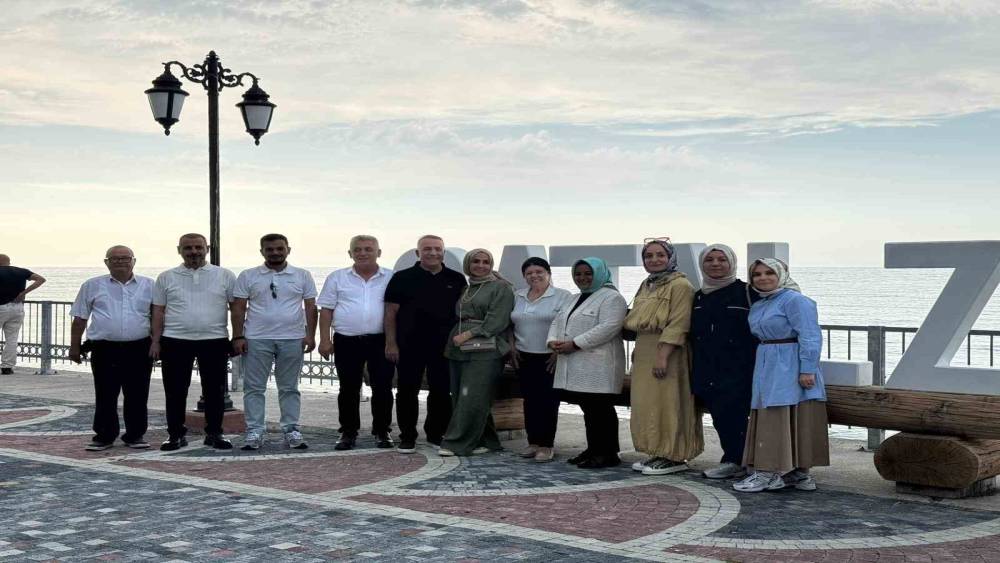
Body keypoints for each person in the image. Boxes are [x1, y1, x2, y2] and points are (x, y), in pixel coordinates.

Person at [734, 258, 829, 493]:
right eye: (757, 274)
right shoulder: (761, 303)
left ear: (781, 274)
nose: (763, 278)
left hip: (790, 362)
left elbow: (810, 335)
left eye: (769, 273)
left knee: (787, 413)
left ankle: (777, 471)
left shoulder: (796, 300)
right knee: (773, 412)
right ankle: (784, 471)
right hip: (769, 361)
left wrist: (807, 368)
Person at [624, 238, 703, 476]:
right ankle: (657, 450)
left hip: (668, 351)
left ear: (670, 257)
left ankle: (674, 454)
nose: (654, 259)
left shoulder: (681, 285)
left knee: (668, 401)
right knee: (648, 403)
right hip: (645, 348)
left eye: (660, 255)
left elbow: (679, 323)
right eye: (649, 256)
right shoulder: (647, 284)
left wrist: (662, 355)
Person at [150, 233, 236, 452]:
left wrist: (238, 336)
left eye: (198, 247)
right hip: (175, 340)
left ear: (207, 249)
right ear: (179, 250)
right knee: (175, 391)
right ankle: (175, 435)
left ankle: (215, 433)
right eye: (188, 248)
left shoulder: (225, 275)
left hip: (214, 340)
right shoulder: (166, 277)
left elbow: (236, 307)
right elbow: (158, 311)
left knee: (215, 391)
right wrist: (155, 341)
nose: (194, 252)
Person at [232, 234, 317, 451]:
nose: (275, 253)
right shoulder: (248, 275)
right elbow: (238, 307)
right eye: (269, 249)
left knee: (289, 387)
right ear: (262, 251)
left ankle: (291, 429)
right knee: (254, 387)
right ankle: (255, 430)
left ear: (288, 249)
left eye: (280, 248)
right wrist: (238, 336)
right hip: (256, 338)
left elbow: (310, 307)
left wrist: (310, 335)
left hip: (292, 338)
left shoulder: (302, 275)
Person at [384, 235, 467, 453]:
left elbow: (466, 310)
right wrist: (390, 343)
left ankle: (435, 434)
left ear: (443, 252)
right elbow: (390, 313)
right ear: (417, 253)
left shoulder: (456, 278)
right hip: (409, 345)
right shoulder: (402, 277)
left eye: (437, 249)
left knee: (441, 391)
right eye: (427, 249)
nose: (433, 253)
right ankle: (407, 436)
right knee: (406, 391)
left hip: (444, 346)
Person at [69, 246, 154, 451]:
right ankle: (104, 435)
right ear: (106, 262)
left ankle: (135, 435)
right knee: (105, 394)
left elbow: (158, 317)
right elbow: (80, 318)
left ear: (134, 261)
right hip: (104, 349)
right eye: (114, 259)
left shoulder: (150, 285)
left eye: (125, 258)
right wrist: (74, 346)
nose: (120, 262)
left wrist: (158, 343)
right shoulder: (92, 285)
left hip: (139, 347)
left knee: (137, 394)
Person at [317, 235, 395, 450]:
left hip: (381, 340)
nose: (363, 253)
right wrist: (324, 340)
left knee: (383, 387)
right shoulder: (337, 278)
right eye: (357, 249)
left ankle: (382, 431)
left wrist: (394, 342)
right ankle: (348, 432)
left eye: (368, 249)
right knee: (348, 388)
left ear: (378, 252)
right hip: (346, 341)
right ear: (350, 253)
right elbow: (326, 310)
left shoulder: (391, 277)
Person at [548, 257, 627, 469]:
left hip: (600, 364)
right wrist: (553, 341)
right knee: (589, 408)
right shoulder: (574, 298)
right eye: (578, 274)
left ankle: (607, 453)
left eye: (588, 273)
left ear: (600, 273)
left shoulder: (612, 298)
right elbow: (557, 321)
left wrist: (575, 344)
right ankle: (594, 448)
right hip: (577, 362)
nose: (582, 278)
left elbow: (608, 327)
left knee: (601, 408)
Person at [690, 244, 758, 480]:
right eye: (709, 260)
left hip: (740, 368)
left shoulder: (746, 292)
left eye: (722, 259)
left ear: (732, 263)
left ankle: (739, 460)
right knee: (721, 416)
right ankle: (735, 460)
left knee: (736, 415)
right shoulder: (698, 296)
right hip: (707, 367)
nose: (716, 264)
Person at [438, 249, 515, 457]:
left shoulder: (501, 287)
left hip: (485, 348)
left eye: (486, 262)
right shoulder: (468, 287)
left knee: (472, 396)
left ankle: (457, 443)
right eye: (476, 261)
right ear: (468, 264)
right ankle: (488, 441)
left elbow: (498, 320)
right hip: (459, 348)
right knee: (462, 395)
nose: (481, 265)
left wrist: (468, 334)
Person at [509, 257, 571, 462]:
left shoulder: (562, 296)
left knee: (548, 402)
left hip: (549, 357)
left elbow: (568, 325)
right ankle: (533, 442)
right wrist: (511, 346)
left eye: (539, 272)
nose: (534, 276)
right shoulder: (518, 296)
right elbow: (509, 324)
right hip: (523, 355)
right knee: (530, 401)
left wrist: (558, 352)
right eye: (529, 273)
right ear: (524, 276)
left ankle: (546, 444)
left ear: (548, 273)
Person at [0, 254, 46, 375]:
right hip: (17, 308)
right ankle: (7, 367)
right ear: (9, 262)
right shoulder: (21, 271)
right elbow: (41, 279)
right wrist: (24, 293)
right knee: (12, 338)